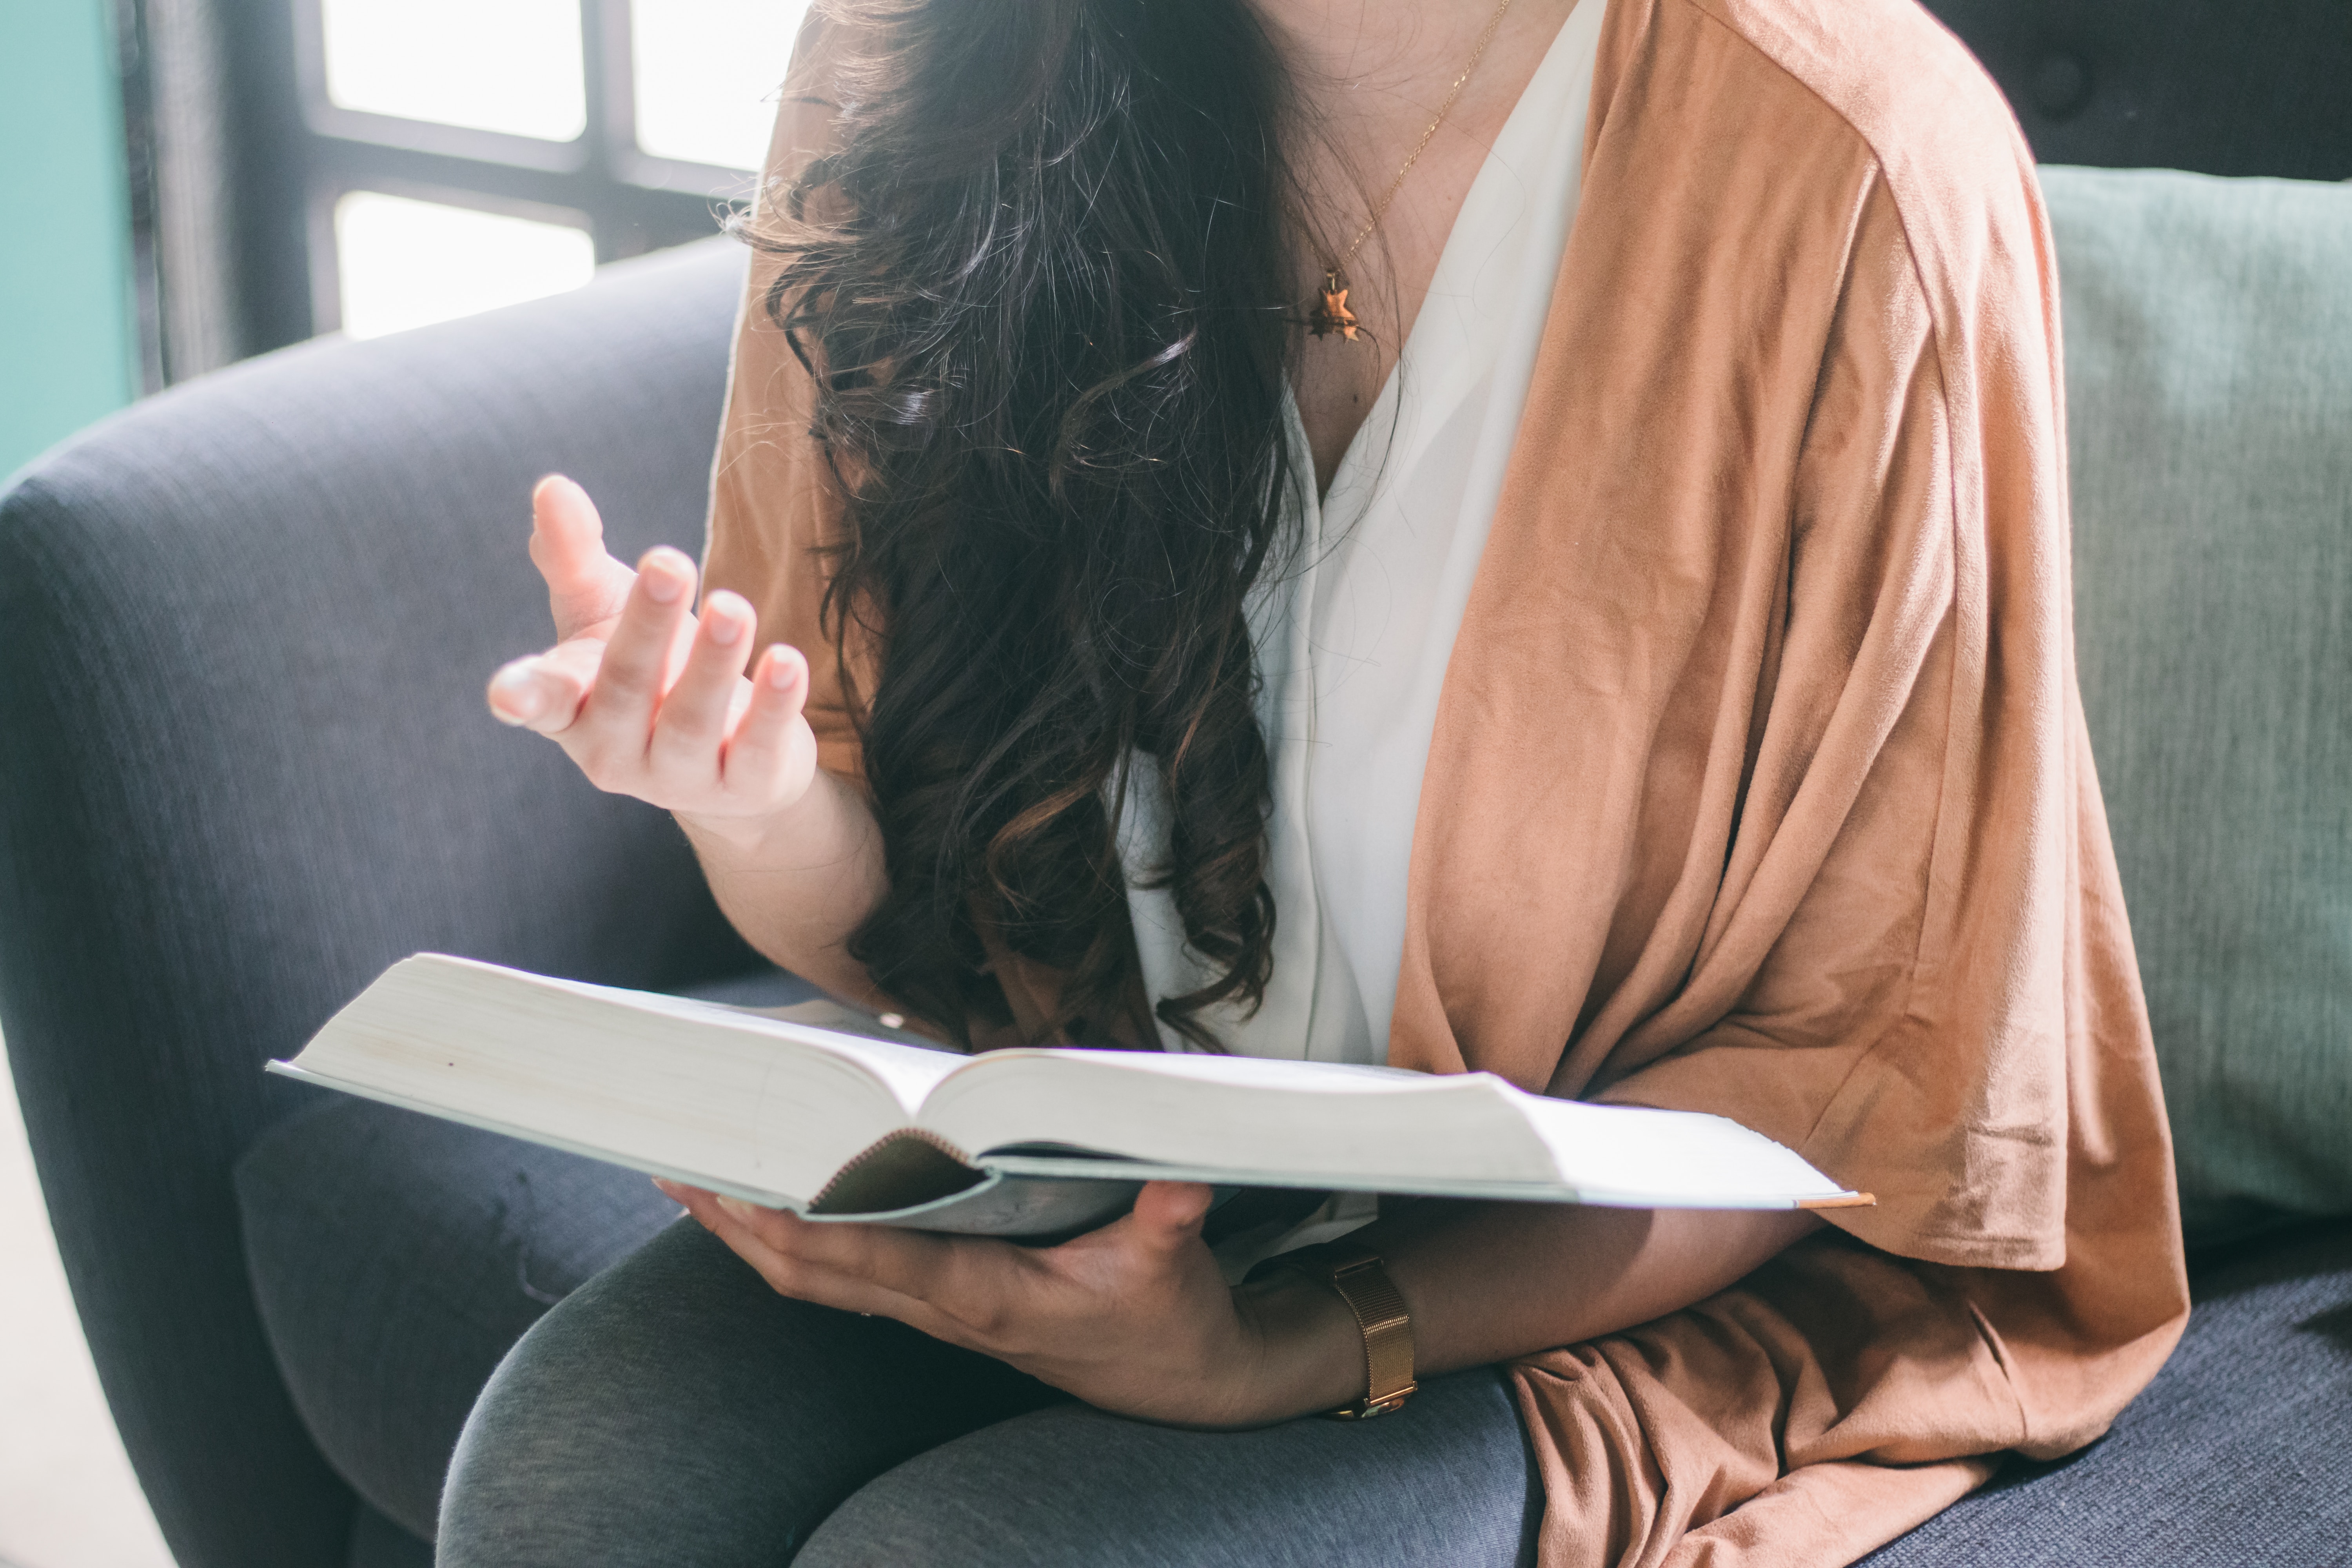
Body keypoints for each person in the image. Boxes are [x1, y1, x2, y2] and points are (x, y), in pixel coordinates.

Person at [443, 0, 2189, 1562]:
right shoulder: (908, 61)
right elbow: (906, 914)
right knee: (566, 1484)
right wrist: (741, 796)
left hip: (1616, 1278)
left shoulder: (1855, 165)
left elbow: (1844, 1092)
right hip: (1092, 1180)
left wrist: (1287, 1347)